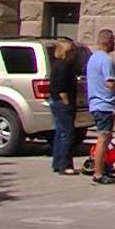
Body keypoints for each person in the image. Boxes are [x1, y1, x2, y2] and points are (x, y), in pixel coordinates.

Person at [85, 29, 115, 185]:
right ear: (108, 41)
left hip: (96, 103)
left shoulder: (93, 58)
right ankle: (98, 173)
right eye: (114, 40)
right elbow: (110, 82)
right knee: (104, 138)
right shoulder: (106, 60)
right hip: (104, 104)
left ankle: (102, 167)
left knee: (105, 138)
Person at [48, 40, 79, 176]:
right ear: (67, 52)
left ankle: (57, 162)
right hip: (62, 103)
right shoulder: (64, 66)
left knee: (60, 133)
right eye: (72, 51)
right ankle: (65, 165)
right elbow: (61, 88)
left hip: (54, 101)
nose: (74, 54)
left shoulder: (56, 64)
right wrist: (67, 102)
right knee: (67, 134)